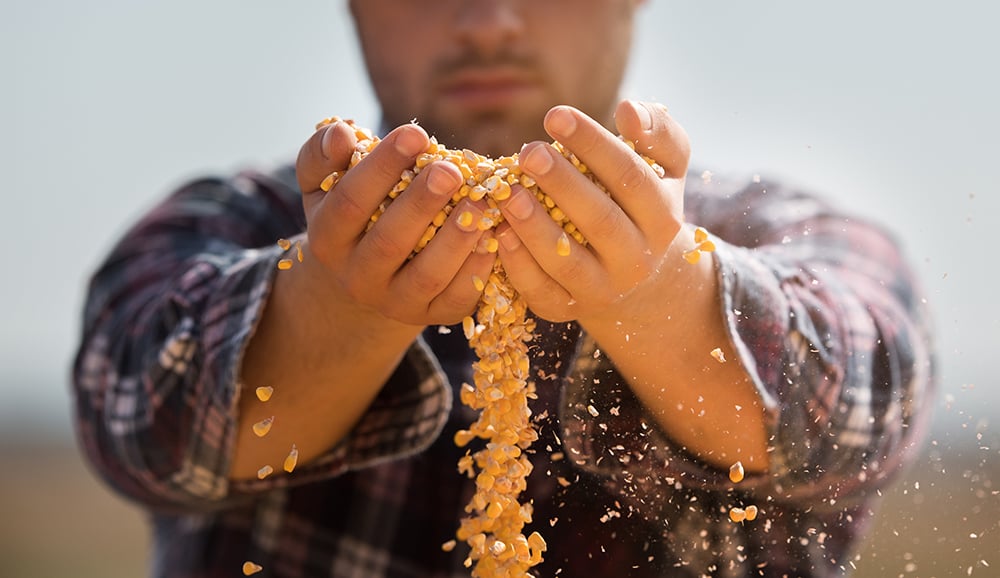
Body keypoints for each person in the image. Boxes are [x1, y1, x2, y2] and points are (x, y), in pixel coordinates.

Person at [72, 1, 935, 577]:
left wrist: (661, 293)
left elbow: (857, 403)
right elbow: (141, 422)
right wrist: (336, 301)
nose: (486, 21)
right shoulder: (234, 223)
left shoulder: (778, 229)